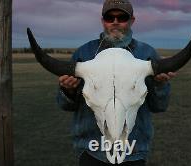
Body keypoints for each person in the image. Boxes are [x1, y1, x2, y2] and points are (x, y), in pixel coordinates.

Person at [57, 0, 176, 165]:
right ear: (102, 21)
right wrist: (68, 91)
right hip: (91, 151)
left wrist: (160, 85)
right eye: (109, 17)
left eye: (122, 17)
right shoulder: (83, 53)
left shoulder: (147, 53)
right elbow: (66, 106)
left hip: (134, 151)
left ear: (132, 20)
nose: (115, 22)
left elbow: (159, 106)